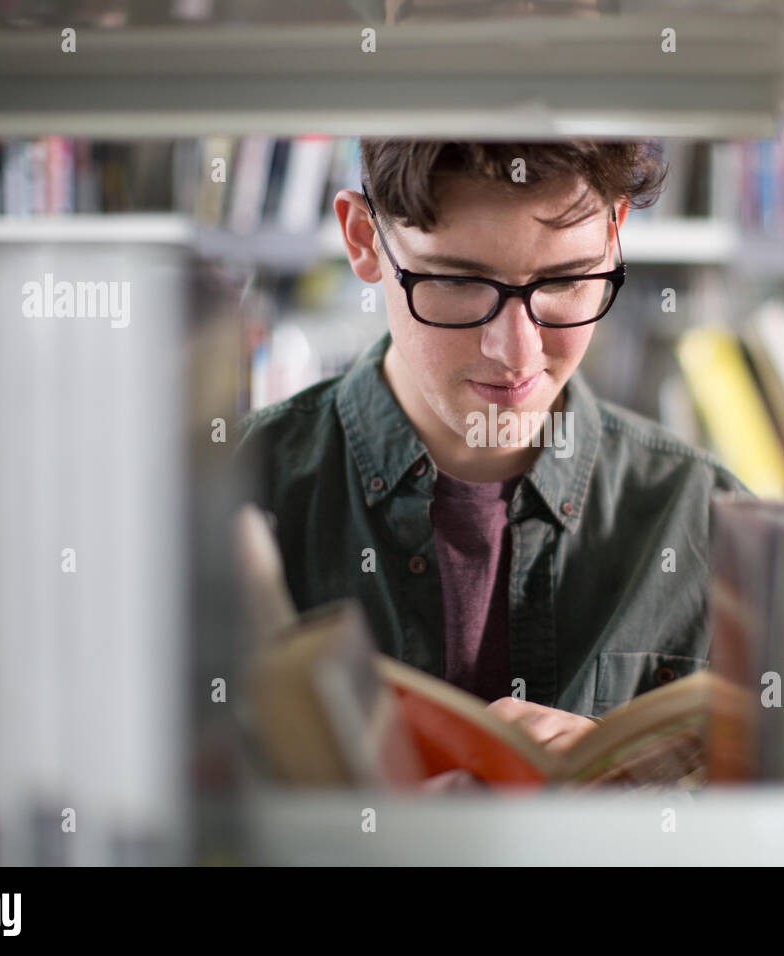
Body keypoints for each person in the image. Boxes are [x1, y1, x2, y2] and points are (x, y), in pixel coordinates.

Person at [235, 139, 749, 761]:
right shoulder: (228, 492)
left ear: (615, 234)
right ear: (364, 239)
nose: (517, 352)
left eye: (564, 280)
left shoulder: (712, 522)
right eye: (457, 282)